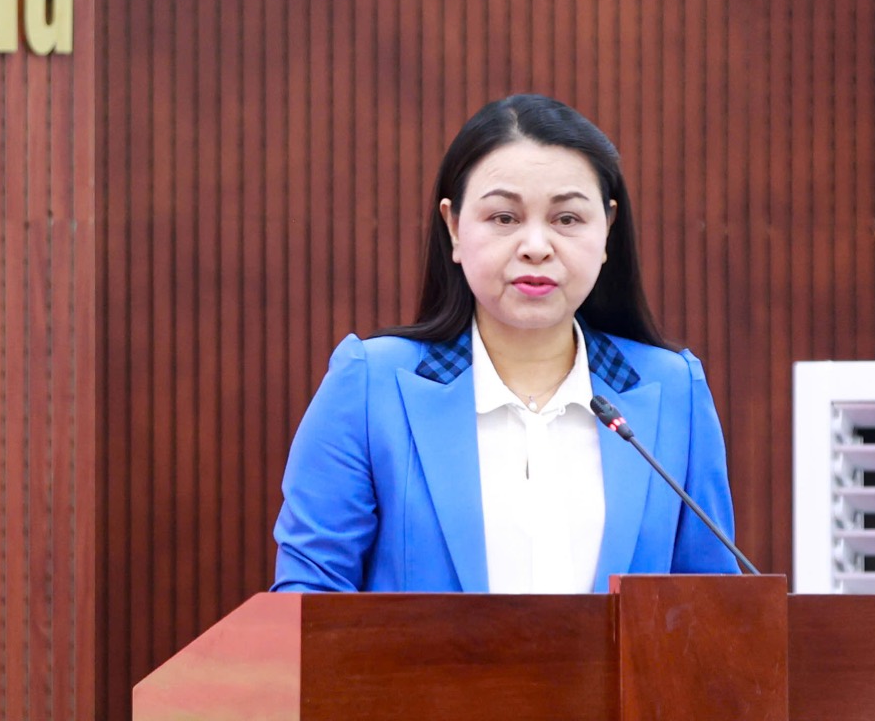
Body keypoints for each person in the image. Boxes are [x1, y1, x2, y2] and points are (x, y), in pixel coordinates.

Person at [271, 94, 739, 593]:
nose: (536, 246)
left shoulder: (672, 391)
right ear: (453, 227)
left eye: (567, 219)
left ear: (607, 230)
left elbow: (712, 612)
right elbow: (307, 603)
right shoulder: (371, 385)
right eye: (504, 218)